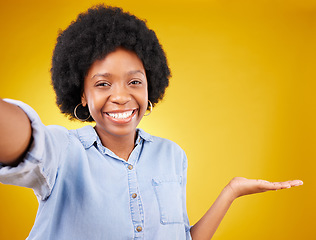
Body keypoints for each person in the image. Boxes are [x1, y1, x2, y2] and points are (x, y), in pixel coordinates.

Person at [0, 5, 303, 240]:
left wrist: (231, 192)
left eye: (134, 81)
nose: (121, 96)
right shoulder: (64, 150)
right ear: (81, 95)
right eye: (103, 84)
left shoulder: (173, 156)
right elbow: (27, 141)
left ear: (150, 86)